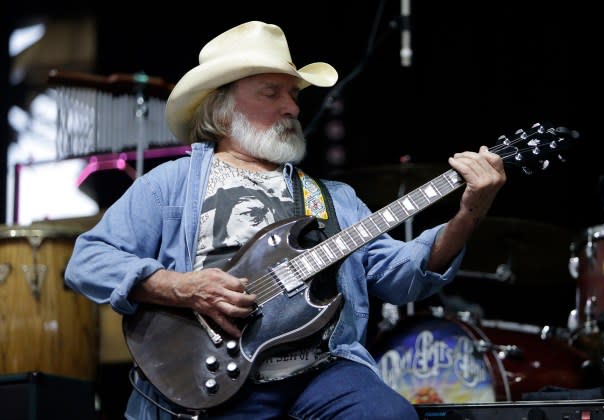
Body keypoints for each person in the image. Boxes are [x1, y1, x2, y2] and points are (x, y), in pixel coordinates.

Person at [64, 20, 506, 420]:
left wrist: (468, 213)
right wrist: (183, 287)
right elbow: (88, 261)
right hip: (209, 378)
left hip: (321, 369)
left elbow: (400, 276)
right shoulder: (171, 185)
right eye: (271, 92)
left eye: (293, 94)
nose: (292, 108)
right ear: (222, 108)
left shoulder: (334, 199)